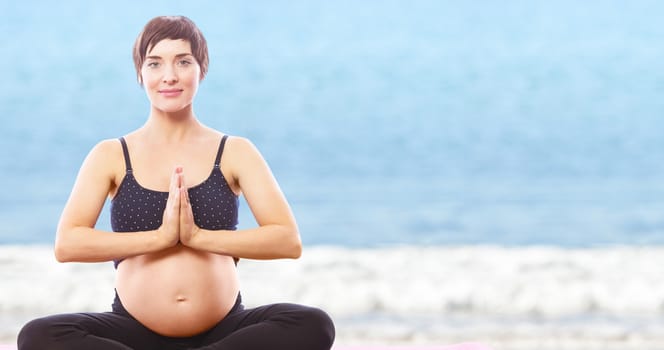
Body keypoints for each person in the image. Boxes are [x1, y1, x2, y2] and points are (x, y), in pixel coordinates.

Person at [17, 15, 335, 350]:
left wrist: (197, 237)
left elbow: (287, 240)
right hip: (132, 332)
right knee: (38, 335)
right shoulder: (111, 154)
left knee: (313, 324)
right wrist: (161, 238)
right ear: (140, 73)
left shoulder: (234, 151)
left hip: (224, 332)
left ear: (202, 69)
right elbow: (68, 244)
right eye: (155, 63)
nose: (169, 76)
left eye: (183, 62)